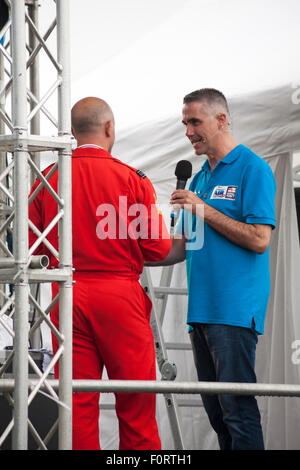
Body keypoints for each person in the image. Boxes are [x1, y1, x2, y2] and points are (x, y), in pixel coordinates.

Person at [28, 97, 171, 450]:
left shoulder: (47, 179)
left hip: (67, 293)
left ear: (73, 132)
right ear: (109, 128)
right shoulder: (131, 178)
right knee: (136, 402)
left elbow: (33, 250)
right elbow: (158, 248)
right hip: (120, 295)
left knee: (76, 405)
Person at [149, 88, 276, 450]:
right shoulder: (201, 176)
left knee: (237, 410)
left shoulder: (253, 168)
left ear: (221, 120)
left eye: (195, 121)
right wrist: (134, 254)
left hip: (234, 311)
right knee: (217, 414)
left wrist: (201, 207)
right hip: (200, 313)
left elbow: (259, 239)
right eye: (184, 123)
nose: (188, 131)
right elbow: (184, 245)